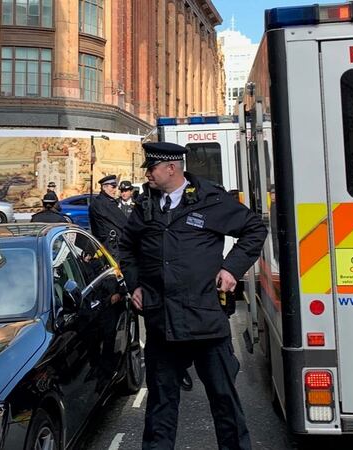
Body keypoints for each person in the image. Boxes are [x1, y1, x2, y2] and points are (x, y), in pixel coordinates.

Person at [119, 142, 267, 450]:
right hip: (162, 324)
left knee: (225, 402)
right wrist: (135, 284)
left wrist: (231, 269)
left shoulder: (211, 200)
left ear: (171, 168)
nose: (147, 174)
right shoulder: (145, 206)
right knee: (160, 407)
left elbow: (254, 229)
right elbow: (127, 248)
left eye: (152, 168)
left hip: (205, 322)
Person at [89, 175, 127, 260]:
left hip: (108, 246)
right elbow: (123, 223)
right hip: (111, 247)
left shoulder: (102, 201)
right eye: (113, 187)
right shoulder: (104, 203)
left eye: (115, 187)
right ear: (104, 187)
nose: (115, 190)